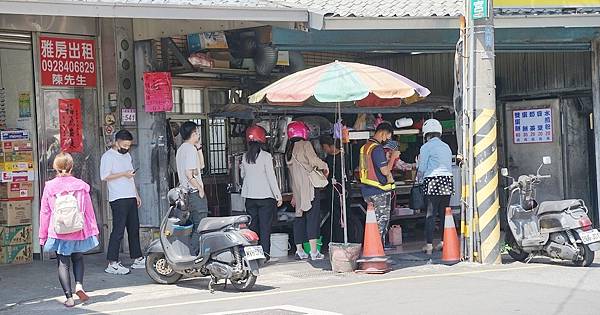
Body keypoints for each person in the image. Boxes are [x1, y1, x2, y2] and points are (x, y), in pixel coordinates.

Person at [39, 152, 100, 307]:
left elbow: (45, 212)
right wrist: (92, 229)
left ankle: (69, 298)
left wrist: (43, 235)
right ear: (72, 167)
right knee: (78, 258)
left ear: (55, 167)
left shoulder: (50, 187)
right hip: (78, 230)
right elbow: (88, 210)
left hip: (58, 231)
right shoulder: (80, 185)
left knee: (63, 263)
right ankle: (79, 285)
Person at [100, 130, 144, 275]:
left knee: (133, 228)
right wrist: (123, 174)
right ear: (117, 141)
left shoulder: (127, 156)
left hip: (130, 195)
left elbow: (131, 176)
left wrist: (136, 194)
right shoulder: (108, 156)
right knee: (118, 230)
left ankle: (137, 258)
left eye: (129, 145)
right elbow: (104, 176)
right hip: (118, 197)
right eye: (125, 145)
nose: (127, 148)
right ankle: (112, 262)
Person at [286, 121, 329, 260]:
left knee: (299, 218)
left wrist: (293, 194)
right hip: (309, 187)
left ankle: (299, 250)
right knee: (312, 218)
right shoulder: (305, 145)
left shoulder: (289, 150)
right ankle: (314, 251)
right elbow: (314, 160)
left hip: (297, 188)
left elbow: (291, 175)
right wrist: (325, 165)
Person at [241, 125, 283, 262]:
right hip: (265, 197)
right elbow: (271, 177)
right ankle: (265, 255)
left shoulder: (245, 157)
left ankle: (253, 254)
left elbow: (242, 175)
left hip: (250, 197)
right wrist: (278, 195)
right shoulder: (266, 156)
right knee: (265, 227)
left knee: (252, 227)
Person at [417, 119, 454, 255]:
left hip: (433, 180)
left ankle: (429, 245)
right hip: (447, 180)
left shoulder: (426, 147)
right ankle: (445, 242)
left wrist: (418, 175)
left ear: (426, 134)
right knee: (444, 213)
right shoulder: (446, 146)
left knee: (430, 214)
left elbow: (422, 168)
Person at [359, 121, 399, 244]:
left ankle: (372, 248)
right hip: (379, 191)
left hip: (367, 190)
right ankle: (378, 248)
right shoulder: (377, 149)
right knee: (381, 224)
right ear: (382, 133)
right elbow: (385, 171)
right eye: (388, 137)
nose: (387, 140)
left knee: (372, 223)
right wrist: (393, 157)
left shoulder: (365, 147)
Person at [176, 121, 208, 254]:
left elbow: (200, 167)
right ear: (193, 133)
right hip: (194, 193)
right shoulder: (189, 149)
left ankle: (188, 252)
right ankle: (192, 254)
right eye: (197, 132)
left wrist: (199, 148)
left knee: (192, 225)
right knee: (201, 225)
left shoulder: (182, 149)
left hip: (185, 194)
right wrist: (200, 188)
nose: (199, 134)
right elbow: (189, 174)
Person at [319, 135, 349, 246]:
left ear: (327, 145)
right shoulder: (328, 159)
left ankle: (344, 240)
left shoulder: (343, 157)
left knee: (344, 216)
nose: (324, 150)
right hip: (331, 192)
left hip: (342, 191)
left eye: (324, 147)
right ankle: (337, 240)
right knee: (335, 217)